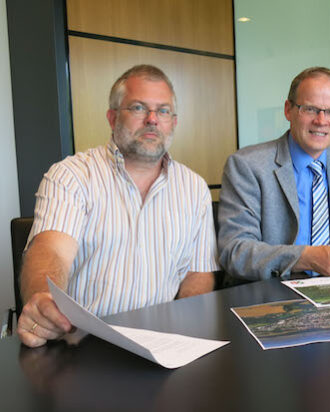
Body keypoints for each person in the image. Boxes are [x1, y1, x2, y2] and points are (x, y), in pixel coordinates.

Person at [17, 65, 219, 348]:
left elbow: (197, 274)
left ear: (173, 122)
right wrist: (42, 298)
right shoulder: (72, 175)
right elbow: (51, 251)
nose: (152, 120)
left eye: (163, 111)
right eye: (138, 108)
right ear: (112, 118)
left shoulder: (194, 188)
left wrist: (184, 335)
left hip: (159, 345)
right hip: (80, 346)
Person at [218, 67, 330, 281]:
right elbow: (235, 250)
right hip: (273, 293)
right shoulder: (247, 166)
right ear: (288, 110)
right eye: (310, 109)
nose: (322, 120)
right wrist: (304, 257)